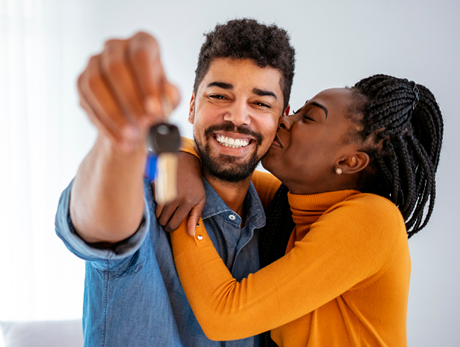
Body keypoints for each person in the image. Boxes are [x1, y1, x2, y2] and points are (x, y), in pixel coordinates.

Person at [55, 19, 294, 346]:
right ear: (193, 106)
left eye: (261, 103)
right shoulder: (151, 185)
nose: (238, 117)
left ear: (282, 119)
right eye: (220, 96)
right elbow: (99, 226)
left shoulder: (282, 222)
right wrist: (119, 142)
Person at [169, 75, 444, 346]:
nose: (284, 120)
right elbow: (211, 163)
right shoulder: (288, 204)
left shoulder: (374, 219)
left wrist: (182, 203)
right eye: (297, 110)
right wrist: (183, 161)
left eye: (309, 118)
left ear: (350, 161)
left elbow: (224, 316)